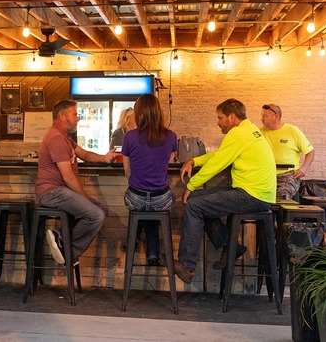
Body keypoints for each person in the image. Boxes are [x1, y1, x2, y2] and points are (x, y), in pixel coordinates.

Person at [174, 98, 276, 284]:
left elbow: (217, 163)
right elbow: (219, 154)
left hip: (252, 195)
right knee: (198, 201)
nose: (218, 122)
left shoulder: (238, 134)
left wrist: (190, 185)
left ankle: (186, 266)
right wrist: (194, 161)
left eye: (220, 117)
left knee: (194, 204)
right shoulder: (248, 130)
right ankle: (231, 246)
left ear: (231, 117)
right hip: (256, 193)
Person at [36, 99, 116, 266]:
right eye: (74, 114)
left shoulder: (66, 139)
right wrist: (87, 199)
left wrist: (105, 157)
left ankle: (63, 242)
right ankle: (68, 248)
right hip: (52, 192)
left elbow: (85, 155)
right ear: (62, 116)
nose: (78, 118)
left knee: (101, 210)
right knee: (96, 214)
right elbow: (68, 178)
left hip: (61, 192)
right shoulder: (56, 139)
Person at [122, 94, 178, 266]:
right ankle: (152, 252)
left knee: (143, 207)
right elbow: (168, 163)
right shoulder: (171, 136)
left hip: (135, 198)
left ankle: (134, 238)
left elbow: (127, 171)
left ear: (138, 113)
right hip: (162, 199)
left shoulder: (129, 137)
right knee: (152, 205)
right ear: (158, 112)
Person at [260, 103, 315, 201]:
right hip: (266, 174)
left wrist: (304, 168)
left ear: (275, 116)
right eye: (262, 116)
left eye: (265, 116)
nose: (262, 119)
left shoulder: (292, 131)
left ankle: (282, 216)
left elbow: (310, 152)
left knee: (282, 195)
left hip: (288, 174)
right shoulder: (259, 133)